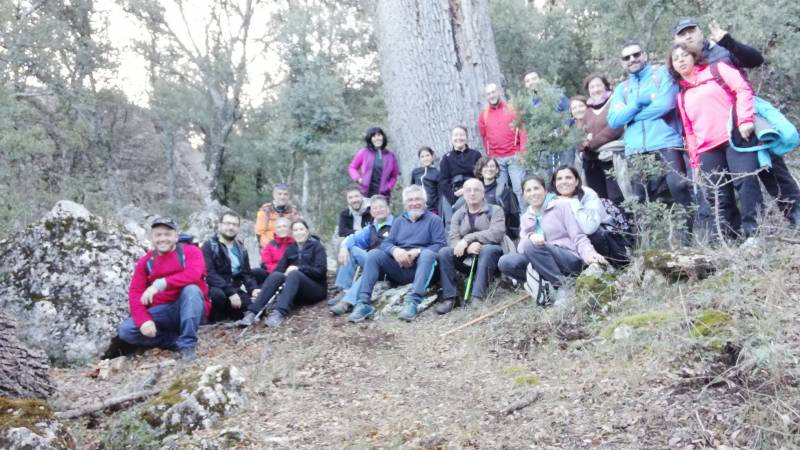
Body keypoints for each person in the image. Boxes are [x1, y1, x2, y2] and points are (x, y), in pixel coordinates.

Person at [674, 17, 800, 226]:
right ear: (676, 40)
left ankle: (795, 216)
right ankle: (738, 232)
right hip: (717, 135)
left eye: (691, 31)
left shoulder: (720, 50)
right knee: (733, 185)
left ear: (701, 32)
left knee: (772, 171)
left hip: (748, 121)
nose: (688, 36)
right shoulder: (682, 68)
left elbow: (755, 60)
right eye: (682, 34)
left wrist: (728, 41)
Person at [669, 43, 763, 240]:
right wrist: (694, 162)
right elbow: (689, 130)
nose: (681, 59)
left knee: (746, 182)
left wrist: (745, 120)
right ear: (673, 66)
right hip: (708, 150)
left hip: (736, 137)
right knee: (719, 194)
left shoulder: (717, 69)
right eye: (676, 58)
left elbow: (743, 89)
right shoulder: (682, 95)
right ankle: (730, 237)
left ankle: (755, 234)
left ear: (694, 56)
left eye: (684, 55)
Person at [607, 41, 695, 217]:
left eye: (636, 54)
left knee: (679, 187)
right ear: (622, 62)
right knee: (641, 197)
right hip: (635, 149)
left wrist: (632, 115)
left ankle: (689, 239)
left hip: (666, 142)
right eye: (627, 57)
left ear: (644, 55)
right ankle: (651, 241)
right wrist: (637, 103)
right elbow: (614, 120)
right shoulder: (622, 89)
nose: (632, 59)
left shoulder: (662, 73)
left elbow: (665, 105)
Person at [499, 176, 606, 305]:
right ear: (523, 195)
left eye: (536, 188)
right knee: (505, 261)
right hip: (541, 259)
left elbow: (578, 236)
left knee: (531, 247)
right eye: (528, 190)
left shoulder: (561, 206)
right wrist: (530, 236)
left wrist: (590, 254)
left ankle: (563, 286)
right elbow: (521, 248)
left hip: (567, 258)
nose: (533, 193)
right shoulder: (526, 216)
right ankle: (543, 285)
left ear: (545, 191)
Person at [348, 185, 447, 323]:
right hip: (400, 267)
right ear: (405, 204)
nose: (414, 203)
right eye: (410, 200)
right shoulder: (399, 221)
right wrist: (395, 251)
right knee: (374, 254)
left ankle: (413, 302)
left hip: (424, 268)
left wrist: (417, 251)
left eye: (417, 199)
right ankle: (363, 303)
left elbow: (440, 245)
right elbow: (386, 243)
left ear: (425, 202)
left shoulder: (434, 220)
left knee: (428, 254)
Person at [117, 217, 209, 360]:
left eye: (167, 234)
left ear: (176, 236)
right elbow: (135, 292)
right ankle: (174, 342)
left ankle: (187, 345)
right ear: (151, 238)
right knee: (126, 331)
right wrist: (143, 320)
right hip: (163, 311)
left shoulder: (191, 251)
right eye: (158, 235)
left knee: (191, 290)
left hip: (190, 305)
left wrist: (160, 285)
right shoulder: (146, 262)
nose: (162, 239)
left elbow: (194, 274)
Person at [238, 220, 327, 328]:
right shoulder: (290, 248)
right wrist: (264, 290)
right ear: (292, 233)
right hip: (297, 292)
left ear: (307, 231)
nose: (299, 232)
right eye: (295, 230)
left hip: (316, 289)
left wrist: (299, 268)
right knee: (276, 275)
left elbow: (321, 272)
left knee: (294, 274)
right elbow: (278, 270)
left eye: (301, 229)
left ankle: (279, 313)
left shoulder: (317, 247)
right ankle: (252, 312)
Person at [435, 179, 505, 314]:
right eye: (468, 190)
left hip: (491, 255)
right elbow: (453, 238)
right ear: (464, 194)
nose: (472, 193)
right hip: (467, 256)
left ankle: (477, 297)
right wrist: (467, 248)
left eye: (476, 190)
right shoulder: (458, 214)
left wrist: (468, 239)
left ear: (483, 193)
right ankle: (451, 298)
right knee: (444, 252)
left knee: (488, 249)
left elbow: (497, 234)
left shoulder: (495, 210)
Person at [550, 165, 632, 266]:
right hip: (575, 245)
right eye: (559, 179)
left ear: (576, 181)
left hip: (605, 242)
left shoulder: (588, 194)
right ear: (554, 183)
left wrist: (572, 202)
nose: (564, 182)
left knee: (593, 234)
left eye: (568, 177)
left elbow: (589, 228)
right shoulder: (552, 201)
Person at [329, 195, 394, 316]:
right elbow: (353, 238)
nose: (378, 210)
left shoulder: (396, 225)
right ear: (371, 212)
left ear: (388, 209)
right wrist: (344, 247)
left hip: (389, 266)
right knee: (351, 248)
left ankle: (347, 302)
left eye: (381, 207)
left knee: (371, 266)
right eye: (375, 208)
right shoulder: (371, 228)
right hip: (372, 262)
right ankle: (345, 290)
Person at [203, 212, 262, 323]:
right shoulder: (209, 246)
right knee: (218, 295)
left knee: (257, 310)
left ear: (238, 228)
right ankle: (216, 320)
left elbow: (246, 274)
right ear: (220, 225)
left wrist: (253, 289)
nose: (231, 227)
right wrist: (231, 292)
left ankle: (231, 314)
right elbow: (209, 274)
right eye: (227, 223)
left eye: (234, 224)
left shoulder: (241, 248)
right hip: (216, 288)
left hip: (235, 288)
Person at [479, 83, 528, 208]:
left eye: (493, 92)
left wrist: (522, 151)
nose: (492, 95)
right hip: (497, 160)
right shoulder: (484, 115)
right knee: (500, 192)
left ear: (499, 92)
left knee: (519, 190)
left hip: (514, 156)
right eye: (488, 93)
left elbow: (522, 130)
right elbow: (485, 137)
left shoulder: (512, 109)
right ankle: (505, 222)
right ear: (486, 96)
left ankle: (526, 221)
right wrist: (490, 156)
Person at [579, 74, 626, 205]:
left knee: (616, 196)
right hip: (592, 160)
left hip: (611, 157)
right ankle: (606, 224)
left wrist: (591, 144)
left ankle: (622, 224)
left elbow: (615, 128)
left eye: (598, 85)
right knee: (598, 198)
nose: (595, 89)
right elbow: (580, 133)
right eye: (591, 87)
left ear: (605, 86)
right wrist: (582, 143)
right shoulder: (588, 110)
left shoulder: (614, 102)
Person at [439, 125, 483, 224]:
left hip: (472, 189)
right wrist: (453, 197)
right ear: (451, 138)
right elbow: (443, 182)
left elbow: (481, 177)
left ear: (466, 138)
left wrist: (467, 189)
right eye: (455, 135)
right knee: (450, 222)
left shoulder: (475, 154)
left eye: (461, 135)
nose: (458, 138)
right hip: (453, 192)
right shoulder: (446, 158)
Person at [474, 156, 520, 240]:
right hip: (477, 235)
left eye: (492, 166)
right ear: (480, 170)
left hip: (499, 235)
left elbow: (514, 216)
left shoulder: (505, 191)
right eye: (485, 166)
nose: (489, 169)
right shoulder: (474, 192)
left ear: (497, 170)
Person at [348, 127, 400, 198]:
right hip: (365, 194)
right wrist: (358, 179)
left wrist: (388, 186)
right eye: (374, 136)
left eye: (379, 135)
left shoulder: (390, 156)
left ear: (383, 137)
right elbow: (352, 167)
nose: (377, 138)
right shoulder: (364, 152)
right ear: (370, 139)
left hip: (383, 195)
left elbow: (394, 176)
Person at [255, 183, 301, 248]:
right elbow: (259, 234)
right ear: (274, 195)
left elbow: (298, 232)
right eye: (279, 194)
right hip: (269, 249)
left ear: (289, 196)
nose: (282, 197)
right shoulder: (265, 211)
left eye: (285, 194)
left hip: (290, 248)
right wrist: (273, 248)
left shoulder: (294, 212)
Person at [410, 146, 440, 214]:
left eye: (427, 155)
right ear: (419, 159)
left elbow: (439, 194)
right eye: (422, 156)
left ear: (432, 156)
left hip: (433, 209)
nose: (425, 158)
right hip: (418, 208)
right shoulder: (415, 172)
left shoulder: (436, 173)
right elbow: (412, 188)